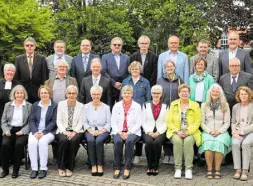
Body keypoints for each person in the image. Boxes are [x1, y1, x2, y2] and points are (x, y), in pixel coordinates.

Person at [166, 84, 201, 180]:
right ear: (179, 94)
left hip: (191, 132)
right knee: (177, 141)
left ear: (189, 93)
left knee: (188, 141)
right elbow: (168, 121)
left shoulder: (195, 105)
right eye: (182, 92)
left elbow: (198, 121)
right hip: (175, 131)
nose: (184, 93)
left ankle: (188, 168)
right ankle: (178, 168)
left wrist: (188, 131)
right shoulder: (173, 104)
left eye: (186, 92)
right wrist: (177, 131)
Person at [120, 61, 151, 164]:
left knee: (138, 131)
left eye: (137, 69)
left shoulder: (145, 82)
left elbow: (148, 98)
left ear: (140, 70)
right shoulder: (125, 81)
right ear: (130, 70)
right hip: (127, 111)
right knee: (127, 130)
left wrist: (146, 109)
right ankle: (127, 153)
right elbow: (122, 96)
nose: (135, 70)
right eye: (133, 69)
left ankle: (137, 154)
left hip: (141, 110)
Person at [199, 83, 231, 179]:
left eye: (217, 92)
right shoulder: (204, 105)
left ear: (220, 93)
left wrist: (219, 131)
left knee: (218, 143)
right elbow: (202, 122)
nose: (215, 93)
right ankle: (209, 169)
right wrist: (209, 131)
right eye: (213, 91)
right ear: (210, 93)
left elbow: (227, 122)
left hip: (221, 131)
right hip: (208, 131)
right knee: (208, 144)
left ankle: (217, 169)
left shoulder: (225, 105)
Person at [0, 85, 32, 178]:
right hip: (9, 129)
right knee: (5, 144)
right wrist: (5, 130)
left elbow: (30, 122)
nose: (19, 95)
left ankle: (15, 170)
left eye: (21, 93)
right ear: (14, 94)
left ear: (24, 94)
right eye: (17, 93)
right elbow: (3, 121)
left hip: (22, 129)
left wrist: (23, 131)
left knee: (19, 145)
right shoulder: (8, 105)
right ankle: (5, 170)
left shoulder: (29, 105)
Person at [111, 85, 142, 180]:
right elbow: (113, 121)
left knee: (129, 141)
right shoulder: (117, 105)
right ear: (121, 94)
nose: (126, 94)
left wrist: (129, 132)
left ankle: (127, 167)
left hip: (133, 131)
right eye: (124, 93)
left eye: (129, 93)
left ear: (132, 94)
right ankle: (117, 167)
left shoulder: (137, 106)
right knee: (118, 142)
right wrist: (119, 132)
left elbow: (139, 122)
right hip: (118, 131)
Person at [157, 60, 183, 164]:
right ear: (165, 68)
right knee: (165, 129)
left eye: (171, 66)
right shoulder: (160, 80)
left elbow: (182, 94)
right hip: (164, 108)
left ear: (174, 68)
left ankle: (172, 154)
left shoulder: (179, 80)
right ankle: (166, 154)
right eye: (167, 67)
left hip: (176, 109)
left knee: (174, 130)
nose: (169, 68)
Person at [28, 85, 57, 179]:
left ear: (49, 94)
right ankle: (34, 169)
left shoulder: (54, 105)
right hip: (36, 130)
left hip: (49, 131)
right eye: (42, 93)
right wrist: (35, 131)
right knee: (32, 142)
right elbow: (31, 120)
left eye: (46, 93)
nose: (44, 95)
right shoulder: (35, 105)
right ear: (39, 94)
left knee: (42, 142)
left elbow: (54, 121)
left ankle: (43, 168)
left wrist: (43, 132)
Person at [56, 85, 84, 177]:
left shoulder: (81, 106)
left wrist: (74, 132)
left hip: (77, 130)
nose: (71, 95)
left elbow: (81, 122)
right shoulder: (61, 104)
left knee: (73, 140)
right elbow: (59, 120)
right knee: (63, 140)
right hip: (63, 129)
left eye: (73, 93)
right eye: (69, 93)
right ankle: (61, 167)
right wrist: (64, 131)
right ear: (66, 94)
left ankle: (69, 167)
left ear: (76, 94)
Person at [83, 85, 111, 176]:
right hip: (89, 129)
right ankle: (93, 165)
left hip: (102, 130)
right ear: (91, 95)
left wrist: (101, 131)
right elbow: (84, 121)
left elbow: (109, 123)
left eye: (98, 94)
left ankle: (100, 164)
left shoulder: (106, 107)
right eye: (94, 94)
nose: (96, 96)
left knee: (99, 140)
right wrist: (91, 131)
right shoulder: (85, 107)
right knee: (90, 140)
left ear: (101, 95)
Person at [14, 37, 49, 103]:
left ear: (35, 46)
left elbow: (45, 76)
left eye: (31, 45)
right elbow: (16, 76)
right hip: (23, 90)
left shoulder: (42, 58)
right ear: (24, 47)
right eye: (27, 45)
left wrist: (43, 89)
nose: (29, 47)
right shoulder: (18, 59)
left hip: (37, 90)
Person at [142, 85, 167, 176]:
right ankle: (149, 166)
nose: (156, 95)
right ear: (151, 93)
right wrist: (149, 132)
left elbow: (167, 121)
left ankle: (156, 166)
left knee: (157, 143)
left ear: (161, 94)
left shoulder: (166, 105)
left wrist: (158, 132)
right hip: (148, 130)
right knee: (149, 143)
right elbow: (143, 120)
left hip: (161, 130)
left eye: (158, 93)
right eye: (154, 93)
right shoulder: (145, 105)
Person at [231, 86, 253, 181]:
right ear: (238, 96)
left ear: (249, 95)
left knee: (246, 144)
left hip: (250, 132)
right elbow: (233, 122)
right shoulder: (236, 107)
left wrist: (243, 132)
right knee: (235, 143)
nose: (243, 96)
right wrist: (234, 132)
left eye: (245, 94)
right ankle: (238, 169)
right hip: (238, 131)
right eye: (241, 94)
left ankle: (245, 170)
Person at [102, 37, 130, 108]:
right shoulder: (105, 57)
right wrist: (114, 83)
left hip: (123, 88)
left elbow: (129, 72)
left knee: (122, 109)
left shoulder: (127, 58)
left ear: (121, 46)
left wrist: (123, 83)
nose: (117, 46)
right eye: (115, 44)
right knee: (109, 109)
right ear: (111, 46)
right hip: (110, 87)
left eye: (119, 45)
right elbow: (104, 72)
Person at [0, 63, 19, 162]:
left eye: (12, 71)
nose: (10, 72)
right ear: (4, 72)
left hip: (13, 115)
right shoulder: (0, 83)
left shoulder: (18, 84)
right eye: (8, 70)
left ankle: (13, 158)